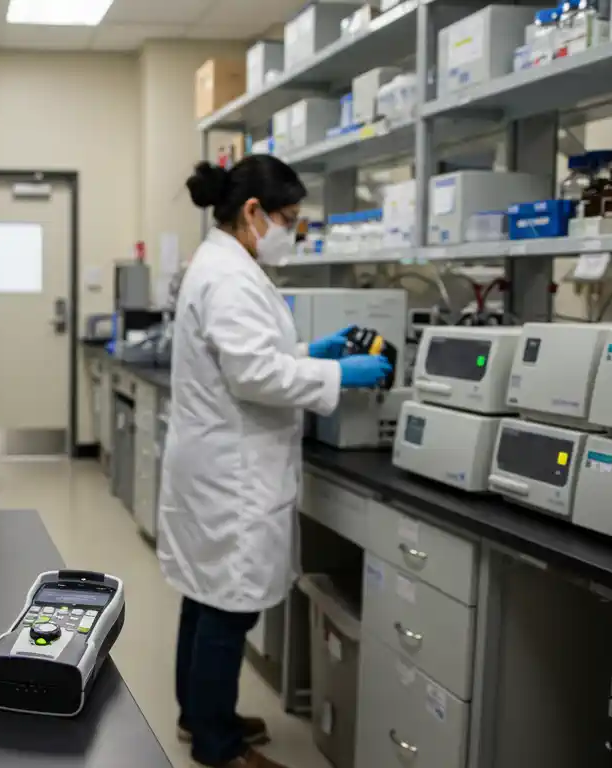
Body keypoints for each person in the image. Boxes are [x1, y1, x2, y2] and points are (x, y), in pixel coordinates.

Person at [159, 156, 392, 768]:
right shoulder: (230, 276)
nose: (295, 231)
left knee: (205, 594)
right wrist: (339, 371)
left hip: (215, 464)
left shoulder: (221, 264)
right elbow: (254, 372)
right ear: (254, 212)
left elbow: (248, 352)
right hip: (231, 473)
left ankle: (198, 717)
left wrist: (308, 352)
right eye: (289, 219)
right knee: (227, 606)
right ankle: (217, 746)